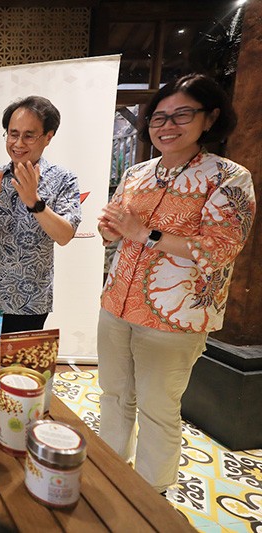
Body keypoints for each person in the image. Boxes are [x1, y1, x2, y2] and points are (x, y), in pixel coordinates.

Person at [97, 73, 256, 493]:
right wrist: (110, 229)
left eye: (181, 115)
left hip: (174, 316)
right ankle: (110, 477)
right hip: (116, 304)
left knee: (158, 408)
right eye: (158, 118)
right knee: (113, 395)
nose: (167, 127)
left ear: (210, 118)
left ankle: (153, 496)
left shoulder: (228, 177)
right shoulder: (137, 174)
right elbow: (114, 226)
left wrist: (143, 233)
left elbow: (222, 248)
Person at [0, 96, 81, 334]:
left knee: (20, 370)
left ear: (48, 137)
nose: (18, 143)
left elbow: (65, 235)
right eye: (12, 133)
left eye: (29, 135)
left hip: (30, 302)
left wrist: (34, 202)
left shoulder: (63, 180)